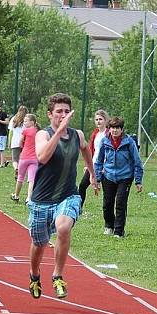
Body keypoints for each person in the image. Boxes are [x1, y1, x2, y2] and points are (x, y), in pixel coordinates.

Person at [27, 93, 98, 300]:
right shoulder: (43, 135)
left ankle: (57, 275)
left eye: (67, 112)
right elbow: (42, 157)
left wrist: (92, 174)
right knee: (39, 244)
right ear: (50, 114)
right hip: (41, 200)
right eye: (59, 112)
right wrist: (58, 131)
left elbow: (86, 150)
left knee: (64, 226)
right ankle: (34, 274)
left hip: (68, 195)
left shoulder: (78, 135)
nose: (63, 115)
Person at [94, 116, 143, 238]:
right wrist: (97, 178)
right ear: (109, 129)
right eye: (112, 128)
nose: (115, 130)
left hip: (125, 176)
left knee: (120, 203)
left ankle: (119, 231)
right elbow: (99, 161)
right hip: (109, 176)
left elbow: (137, 161)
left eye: (117, 128)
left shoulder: (129, 142)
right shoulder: (105, 141)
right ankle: (109, 226)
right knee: (107, 203)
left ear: (122, 129)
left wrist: (138, 180)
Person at [78, 110, 110, 208]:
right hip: (94, 164)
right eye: (96, 119)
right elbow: (91, 150)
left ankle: (107, 210)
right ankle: (79, 208)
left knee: (107, 191)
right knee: (82, 186)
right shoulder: (95, 133)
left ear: (105, 120)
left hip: (105, 166)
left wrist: (106, 166)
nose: (98, 121)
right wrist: (87, 165)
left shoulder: (109, 134)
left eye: (100, 119)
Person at [12, 113, 39, 203]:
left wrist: (23, 145)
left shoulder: (26, 131)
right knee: (31, 179)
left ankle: (16, 195)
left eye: (26, 121)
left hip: (24, 157)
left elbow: (20, 143)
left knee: (20, 177)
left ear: (32, 122)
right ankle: (29, 198)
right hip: (34, 158)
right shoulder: (38, 131)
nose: (24, 123)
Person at [9, 105, 28, 177]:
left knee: (15, 159)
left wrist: (9, 142)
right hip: (24, 141)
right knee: (24, 158)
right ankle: (23, 173)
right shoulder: (27, 120)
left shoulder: (14, 119)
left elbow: (11, 132)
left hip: (15, 141)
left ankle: (16, 168)